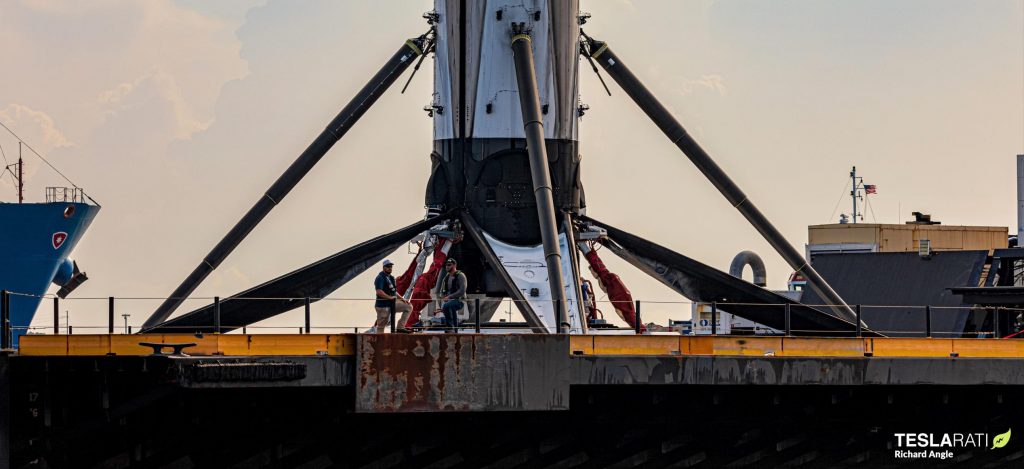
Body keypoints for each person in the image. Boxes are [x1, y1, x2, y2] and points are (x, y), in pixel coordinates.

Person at [374, 259, 412, 333]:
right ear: (383, 267)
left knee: (408, 306)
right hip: (383, 305)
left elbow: (394, 292)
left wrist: (402, 299)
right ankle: (380, 342)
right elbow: (379, 292)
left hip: (391, 303)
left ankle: (400, 327)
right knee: (381, 326)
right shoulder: (380, 277)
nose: (390, 268)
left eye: (391, 266)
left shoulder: (391, 278)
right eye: (388, 266)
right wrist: (390, 298)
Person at [434, 257, 467, 333]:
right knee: (448, 306)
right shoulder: (446, 278)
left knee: (447, 306)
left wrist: (450, 297)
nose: (447, 267)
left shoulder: (461, 276)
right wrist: (443, 297)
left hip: (459, 301)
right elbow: (442, 291)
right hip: (448, 301)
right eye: (446, 265)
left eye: (449, 265)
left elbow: (462, 291)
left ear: (454, 265)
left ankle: (450, 327)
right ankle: (454, 329)